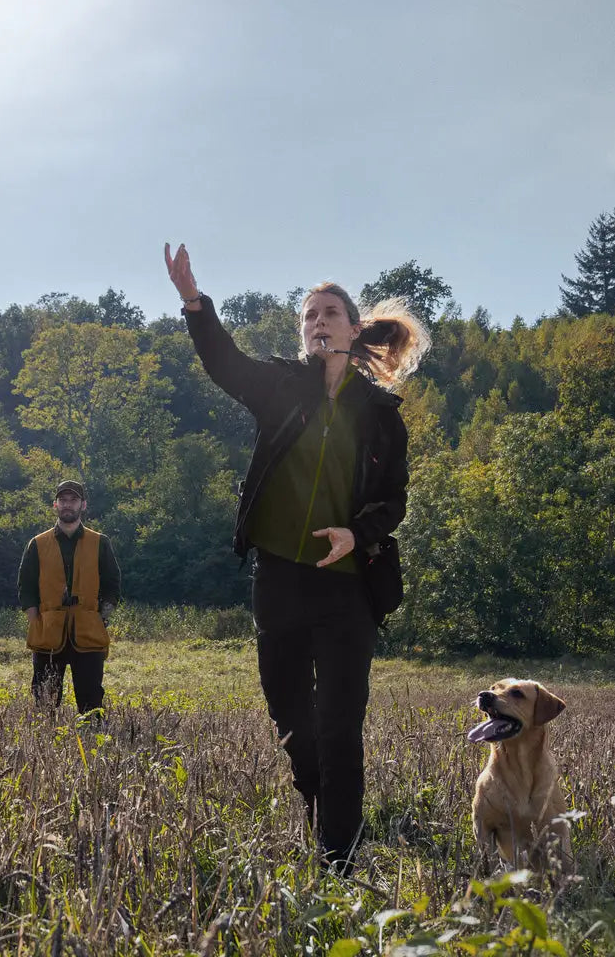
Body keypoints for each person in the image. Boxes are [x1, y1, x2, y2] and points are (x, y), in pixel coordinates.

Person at [164, 242, 429, 873]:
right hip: (278, 580)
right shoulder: (281, 387)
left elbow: (395, 501)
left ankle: (340, 857)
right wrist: (195, 304)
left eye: (328, 312)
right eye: (308, 316)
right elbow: (225, 363)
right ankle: (321, 806)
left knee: (340, 726)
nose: (316, 322)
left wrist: (355, 535)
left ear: (354, 328)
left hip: (347, 589)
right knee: (292, 721)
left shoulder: (383, 415)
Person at [18, 479, 121, 716]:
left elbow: (112, 584)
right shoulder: (37, 543)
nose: (67, 505)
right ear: (55, 504)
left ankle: (93, 745)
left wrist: (101, 618)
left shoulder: (100, 543)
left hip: (88, 632)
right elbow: (26, 586)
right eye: (63, 500)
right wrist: (35, 620)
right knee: (44, 701)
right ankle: (44, 747)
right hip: (48, 632)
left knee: (91, 703)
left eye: (73, 500)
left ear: (83, 505)